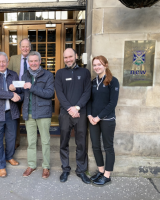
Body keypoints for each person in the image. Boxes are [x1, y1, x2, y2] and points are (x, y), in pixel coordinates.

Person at [10, 51, 54, 179]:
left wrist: (32, 87)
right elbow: (25, 94)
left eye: (36, 61)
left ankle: (46, 166)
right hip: (29, 113)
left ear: (40, 61)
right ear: (28, 62)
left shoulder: (48, 75)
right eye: (31, 61)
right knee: (31, 141)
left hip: (43, 113)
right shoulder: (25, 75)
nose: (33, 63)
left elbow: (49, 93)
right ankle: (31, 165)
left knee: (45, 141)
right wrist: (15, 93)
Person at [55, 48, 91, 184]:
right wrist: (70, 108)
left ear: (76, 56)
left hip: (80, 113)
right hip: (65, 113)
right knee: (63, 142)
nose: (68, 59)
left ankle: (81, 170)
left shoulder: (85, 72)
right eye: (65, 57)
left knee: (81, 143)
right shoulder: (60, 73)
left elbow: (87, 92)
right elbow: (59, 93)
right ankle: (65, 169)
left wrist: (77, 107)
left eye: (70, 56)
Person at [87, 55, 119, 186]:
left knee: (108, 147)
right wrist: (89, 115)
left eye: (99, 64)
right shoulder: (93, 82)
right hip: (93, 120)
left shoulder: (113, 81)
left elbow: (112, 103)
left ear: (105, 65)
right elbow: (89, 100)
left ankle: (107, 175)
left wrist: (98, 117)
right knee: (95, 146)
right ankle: (100, 171)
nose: (96, 67)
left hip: (107, 120)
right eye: (94, 65)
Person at [8, 38, 31, 149]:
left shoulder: (34, 57)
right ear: (20, 47)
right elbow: (8, 74)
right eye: (23, 46)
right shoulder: (13, 58)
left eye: (27, 46)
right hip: (16, 91)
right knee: (15, 117)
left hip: (30, 91)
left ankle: (31, 141)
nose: (25, 48)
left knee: (30, 116)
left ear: (30, 48)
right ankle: (16, 141)